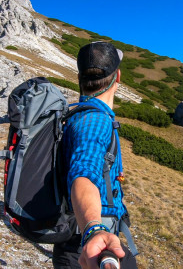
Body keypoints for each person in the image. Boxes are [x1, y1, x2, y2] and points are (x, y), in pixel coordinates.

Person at [52, 42, 138, 269]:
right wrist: (93, 229)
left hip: (76, 241)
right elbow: (83, 174)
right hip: (88, 248)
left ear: (79, 78)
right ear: (117, 76)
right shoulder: (95, 121)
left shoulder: (77, 115)